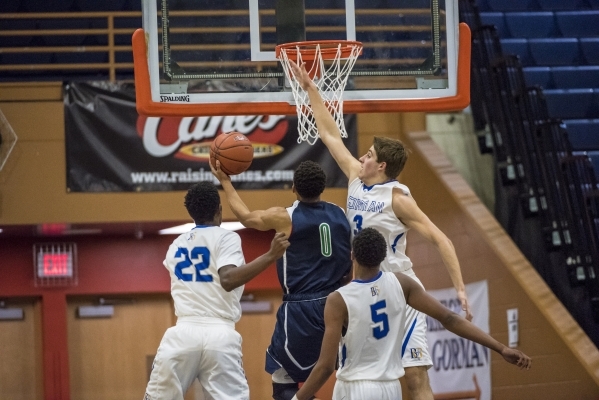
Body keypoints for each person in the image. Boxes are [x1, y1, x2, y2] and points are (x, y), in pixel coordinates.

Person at [289, 60, 474, 399]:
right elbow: (330, 134)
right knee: (357, 374)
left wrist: (460, 289)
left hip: (400, 289)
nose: (362, 156)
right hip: (362, 290)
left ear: (382, 165)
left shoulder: (399, 198)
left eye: (369, 154)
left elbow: (441, 239)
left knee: (416, 378)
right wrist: (312, 89)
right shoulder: (356, 178)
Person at [293, 228, 532, 400]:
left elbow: (325, 367)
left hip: (355, 388)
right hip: (391, 389)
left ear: (352, 255)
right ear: (383, 257)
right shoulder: (403, 284)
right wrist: (501, 348)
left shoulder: (339, 299)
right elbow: (450, 318)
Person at [211, 159, 352, 400]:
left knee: (283, 380)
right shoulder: (340, 214)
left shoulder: (284, 216)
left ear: (294, 188)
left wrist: (225, 181)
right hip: (340, 303)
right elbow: (348, 262)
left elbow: (246, 217)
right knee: (332, 374)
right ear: (323, 188)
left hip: (301, 308)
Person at [144, 181, 290, 400]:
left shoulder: (175, 244)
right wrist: (270, 255)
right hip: (220, 334)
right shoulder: (226, 237)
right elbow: (228, 279)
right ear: (219, 210)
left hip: (183, 332)